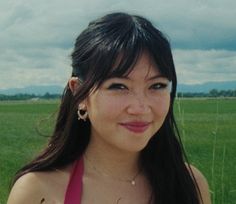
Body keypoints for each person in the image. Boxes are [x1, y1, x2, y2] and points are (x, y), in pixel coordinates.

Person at [7, 12, 211, 204]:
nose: (140, 108)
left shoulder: (190, 184)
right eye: (118, 86)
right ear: (80, 92)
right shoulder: (38, 190)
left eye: (156, 86)